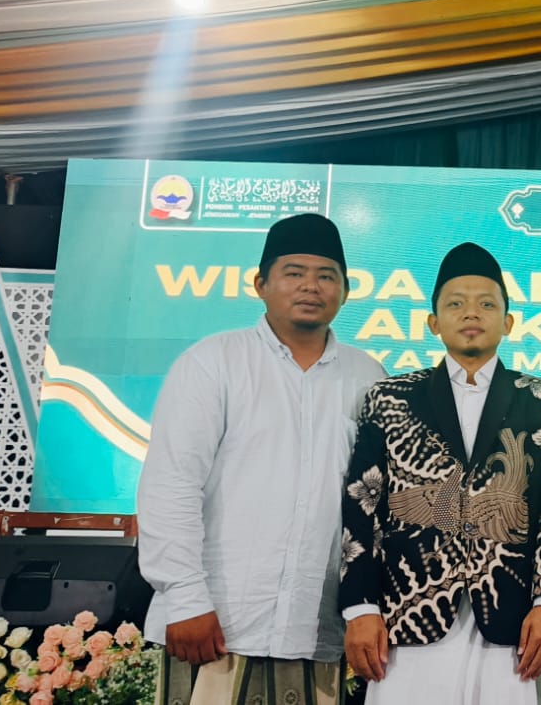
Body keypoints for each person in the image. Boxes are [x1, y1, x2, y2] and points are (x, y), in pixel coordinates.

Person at [138, 213, 387, 705]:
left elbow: (374, 503)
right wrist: (184, 597)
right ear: (260, 284)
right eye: (294, 273)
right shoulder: (213, 362)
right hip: (215, 625)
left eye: (326, 275)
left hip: (317, 630)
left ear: (345, 291)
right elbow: (172, 485)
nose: (311, 286)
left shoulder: (369, 376)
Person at [337, 242, 541, 705]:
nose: (471, 313)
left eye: (486, 304)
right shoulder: (390, 398)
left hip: (510, 618)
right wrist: (360, 605)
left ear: (508, 322)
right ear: (433, 322)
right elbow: (362, 503)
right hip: (408, 611)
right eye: (455, 304)